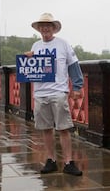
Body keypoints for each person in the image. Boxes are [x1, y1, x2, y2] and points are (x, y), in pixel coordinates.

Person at [25, 13, 84, 176]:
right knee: (46, 129)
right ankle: (50, 160)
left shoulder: (63, 44)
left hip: (59, 92)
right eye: (42, 26)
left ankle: (68, 162)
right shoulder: (35, 46)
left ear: (53, 28)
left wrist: (77, 86)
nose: (45, 29)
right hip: (40, 93)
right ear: (39, 29)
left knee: (64, 128)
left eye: (48, 26)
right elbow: (31, 69)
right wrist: (27, 59)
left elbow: (73, 66)